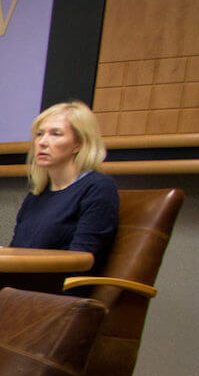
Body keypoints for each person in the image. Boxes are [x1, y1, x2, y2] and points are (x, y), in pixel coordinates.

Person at [12, 100, 119, 271]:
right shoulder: (36, 195)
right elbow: (15, 253)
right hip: (20, 284)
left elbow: (80, 260)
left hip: (59, 289)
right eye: (40, 134)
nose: (42, 142)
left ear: (79, 143)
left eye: (56, 134)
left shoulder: (97, 188)